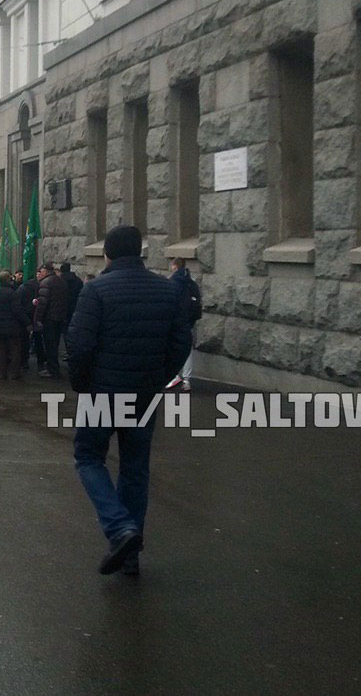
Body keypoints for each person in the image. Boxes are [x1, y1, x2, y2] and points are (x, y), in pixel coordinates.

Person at [65, 225, 192, 577]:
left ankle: (120, 528)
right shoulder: (166, 290)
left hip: (103, 392)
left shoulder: (96, 291)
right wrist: (159, 377)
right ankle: (130, 554)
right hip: (145, 394)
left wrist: (82, 384)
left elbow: (80, 346)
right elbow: (181, 341)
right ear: (140, 252)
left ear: (107, 253)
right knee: (135, 469)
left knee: (89, 458)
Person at [167, 257, 203, 391]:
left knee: (171, 348)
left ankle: (174, 375)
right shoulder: (192, 283)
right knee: (188, 350)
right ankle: (187, 380)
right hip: (189, 322)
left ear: (175, 266)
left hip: (175, 322)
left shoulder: (172, 282)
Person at [0, 271, 28, 379]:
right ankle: (14, 373)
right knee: (14, 349)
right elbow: (17, 309)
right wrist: (27, 322)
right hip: (11, 325)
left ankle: (0, 372)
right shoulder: (12, 292)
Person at [35, 262, 69, 379]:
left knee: (50, 345)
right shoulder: (61, 281)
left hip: (49, 318)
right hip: (59, 317)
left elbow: (42, 303)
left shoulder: (45, 282)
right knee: (55, 344)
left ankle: (52, 369)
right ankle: (54, 368)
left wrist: (37, 318)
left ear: (46, 271)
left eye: (41, 270)